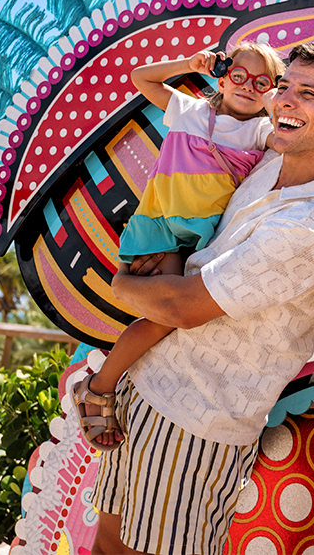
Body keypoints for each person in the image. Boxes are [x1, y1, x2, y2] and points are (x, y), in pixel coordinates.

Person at [91, 42, 314, 555]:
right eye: (285, 87)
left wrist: (123, 284)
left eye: (309, 94)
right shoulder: (271, 162)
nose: (287, 100)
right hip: (149, 385)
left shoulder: (309, 225)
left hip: (196, 420)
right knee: (107, 545)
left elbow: (182, 308)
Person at [73, 40, 284, 451]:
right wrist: (190, 63)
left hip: (202, 244)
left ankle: (114, 381)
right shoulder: (191, 112)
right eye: (238, 75)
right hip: (160, 231)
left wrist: (276, 100)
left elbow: (289, 139)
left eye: (261, 83)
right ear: (221, 77)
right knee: (166, 319)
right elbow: (141, 78)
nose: (247, 86)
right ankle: (98, 387)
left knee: (181, 319)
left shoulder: (260, 132)